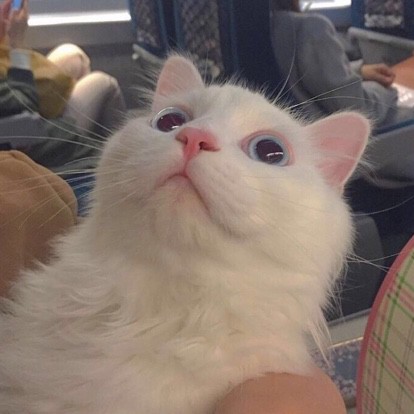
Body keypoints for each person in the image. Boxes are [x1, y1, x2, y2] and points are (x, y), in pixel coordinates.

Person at [0, 0, 126, 172]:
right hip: (37, 143)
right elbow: (24, 110)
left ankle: (96, 136)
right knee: (104, 82)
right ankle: (119, 162)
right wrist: (16, 43)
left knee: (72, 56)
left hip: (12, 115)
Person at [270, 0, 413, 128]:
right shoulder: (308, 29)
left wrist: (358, 71)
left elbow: (295, 71)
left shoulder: (263, 27)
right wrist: (388, 90)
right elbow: (358, 109)